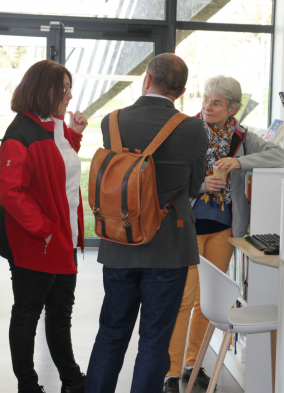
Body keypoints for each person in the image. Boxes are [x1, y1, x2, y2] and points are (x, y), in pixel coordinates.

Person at [85, 53, 207, 393]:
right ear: (181, 92)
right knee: (155, 340)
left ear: (146, 79)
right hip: (168, 247)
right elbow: (195, 183)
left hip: (119, 242)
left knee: (111, 331)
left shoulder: (111, 122)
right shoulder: (193, 128)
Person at [163, 75, 284, 393]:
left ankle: (194, 364)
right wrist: (204, 183)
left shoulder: (242, 136)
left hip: (224, 231)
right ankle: (171, 373)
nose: (207, 107)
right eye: (205, 99)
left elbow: (279, 156)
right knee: (183, 301)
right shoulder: (185, 130)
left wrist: (240, 162)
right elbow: (170, 176)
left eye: (216, 102)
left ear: (233, 108)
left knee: (209, 303)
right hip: (187, 227)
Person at [0, 60, 88, 393]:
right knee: (28, 315)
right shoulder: (21, 132)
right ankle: (28, 384)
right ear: (45, 90)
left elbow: (55, 168)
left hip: (62, 239)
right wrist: (45, 228)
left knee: (60, 314)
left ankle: (72, 379)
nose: (68, 94)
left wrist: (74, 135)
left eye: (68, 87)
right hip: (39, 243)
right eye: (63, 88)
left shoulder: (55, 125)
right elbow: (9, 190)